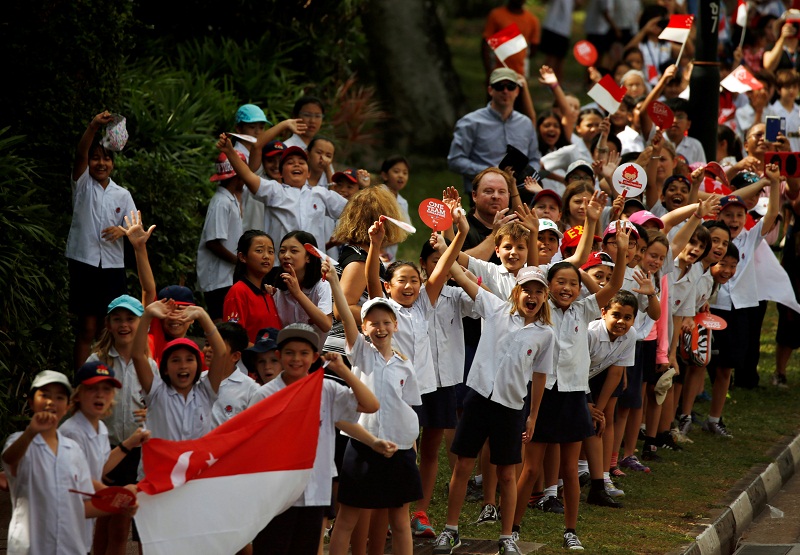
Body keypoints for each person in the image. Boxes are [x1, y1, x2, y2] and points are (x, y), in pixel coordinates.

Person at [513, 224, 630, 551]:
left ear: (581, 289)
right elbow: (533, 270)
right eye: (560, 283)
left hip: (575, 396)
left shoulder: (584, 308)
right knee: (531, 466)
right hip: (544, 395)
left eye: (573, 283)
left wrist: (619, 253)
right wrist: (534, 236)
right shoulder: (542, 311)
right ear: (548, 287)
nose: (567, 288)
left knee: (568, 468)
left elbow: (616, 284)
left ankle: (571, 530)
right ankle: (514, 528)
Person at [433, 265, 555, 555]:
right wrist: (446, 246)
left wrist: (533, 415)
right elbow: (462, 277)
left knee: (508, 474)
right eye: (527, 289)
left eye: (539, 291)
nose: (532, 296)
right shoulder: (497, 309)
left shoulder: (546, 334)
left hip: (511, 407)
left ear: (545, 297)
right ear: (517, 291)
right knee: (463, 465)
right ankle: (450, 530)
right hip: (478, 399)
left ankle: (507, 536)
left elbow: (540, 376)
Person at [249, 324, 381, 554]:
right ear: (279, 355)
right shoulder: (264, 396)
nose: (296, 359)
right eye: (289, 353)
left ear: (314, 357)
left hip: (315, 489)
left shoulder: (327, 389)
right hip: (276, 494)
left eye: (304, 353)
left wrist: (343, 371)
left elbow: (371, 405)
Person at [2, 371, 137, 554]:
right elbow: (9, 459)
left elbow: (79, 505)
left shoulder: (73, 450)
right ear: (32, 402)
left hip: (71, 548)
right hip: (31, 549)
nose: (51, 402)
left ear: (67, 406)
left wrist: (120, 503)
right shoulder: (19, 442)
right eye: (44, 395)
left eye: (59, 397)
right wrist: (30, 433)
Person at [708, 168, 782, 429]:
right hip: (711, 308)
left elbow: (772, 213)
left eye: (739, 215)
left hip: (740, 309)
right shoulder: (710, 240)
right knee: (699, 365)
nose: (734, 219)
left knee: (726, 368)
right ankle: (684, 415)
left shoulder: (750, 239)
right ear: (719, 216)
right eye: (728, 215)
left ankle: (715, 418)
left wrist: (773, 184)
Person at [67, 111, 137, 369]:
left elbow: (136, 227)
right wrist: (94, 125)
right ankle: (82, 382)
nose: (100, 163)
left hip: (112, 267)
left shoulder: (122, 194)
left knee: (109, 325)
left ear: (113, 164)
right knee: (86, 326)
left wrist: (124, 231)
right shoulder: (82, 184)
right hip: (84, 261)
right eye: (95, 158)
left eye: (106, 159)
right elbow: (80, 153)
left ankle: (105, 378)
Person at [85, 294, 154, 555]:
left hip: (135, 453)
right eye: (118, 319)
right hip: (104, 450)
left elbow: (158, 402)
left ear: (141, 324)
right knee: (103, 517)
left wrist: (151, 410)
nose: (124, 325)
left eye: (130, 319)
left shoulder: (149, 365)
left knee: (120, 525)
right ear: (108, 324)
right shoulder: (96, 361)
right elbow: (83, 402)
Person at [59, 361, 149, 552]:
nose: (100, 394)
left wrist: (130, 443)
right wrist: (118, 503)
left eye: (107, 389)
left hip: (77, 534)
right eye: (93, 388)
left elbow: (98, 468)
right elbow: (69, 501)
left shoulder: (99, 428)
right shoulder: (72, 433)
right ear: (78, 394)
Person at [217, 136, 347, 252]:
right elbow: (248, 176)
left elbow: (353, 210)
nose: (296, 164)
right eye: (290, 163)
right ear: (281, 173)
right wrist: (230, 152)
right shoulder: (275, 191)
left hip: (315, 269)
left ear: (308, 173)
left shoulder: (321, 194)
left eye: (301, 163)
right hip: (281, 267)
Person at [448, 68, 540, 196]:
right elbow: (455, 160)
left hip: (521, 195)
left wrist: (527, 175)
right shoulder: (470, 122)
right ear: (490, 90)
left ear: (517, 91)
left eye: (511, 86)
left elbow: (535, 158)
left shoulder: (526, 123)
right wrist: (490, 173)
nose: (505, 91)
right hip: (484, 195)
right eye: (499, 86)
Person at [197, 151, 246, 321]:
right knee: (220, 322)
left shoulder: (230, 199)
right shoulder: (221, 203)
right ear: (238, 176)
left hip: (226, 276)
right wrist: (238, 262)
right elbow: (213, 242)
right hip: (217, 278)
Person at [270, 231, 333, 344]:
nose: (286, 256)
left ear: (308, 257)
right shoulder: (278, 289)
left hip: (318, 356)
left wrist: (298, 293)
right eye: (282, 251)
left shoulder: (322, 286)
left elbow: (326, 325)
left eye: (294, 251)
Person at [223, 230, 282, 343]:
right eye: (259, 251)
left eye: (271, 252)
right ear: (242, 257)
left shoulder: (269, 293)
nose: (266, 256)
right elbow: (234, 339)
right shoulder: (238, 292)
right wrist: (262, 354)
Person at [207, 322, 259, 428]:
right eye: (208, 344)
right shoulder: (196, 380)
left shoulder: (251, 389)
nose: (209, 349)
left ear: (235, 356)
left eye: (218, 346)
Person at [482, 0, 541, 77]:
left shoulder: (532, 20)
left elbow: (534, 47)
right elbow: (485, 44)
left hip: (520, 73)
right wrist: (489, 71)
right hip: (498, 72)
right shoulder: (496, 15)